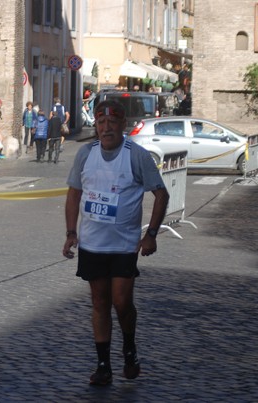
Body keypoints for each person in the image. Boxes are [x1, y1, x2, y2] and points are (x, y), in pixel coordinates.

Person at [62, 100, 169, 386]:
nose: (106, 128)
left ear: (123, 125)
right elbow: (74, 194)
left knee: (121, 302)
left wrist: (151, 235)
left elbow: (161, 194)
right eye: (101, 123)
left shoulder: (137, 156)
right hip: (92, 244)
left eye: (112, 123)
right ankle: (103, 365)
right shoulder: (86, 154)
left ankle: (130, 349)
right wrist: (71, 233)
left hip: (123, 245)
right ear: (95, 126)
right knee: (99, 302)